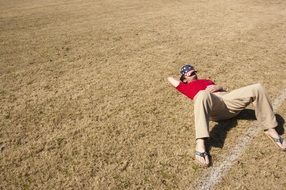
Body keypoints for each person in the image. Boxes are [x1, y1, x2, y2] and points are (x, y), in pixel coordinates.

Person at [167, 64, 286, 167]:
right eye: (190, 73)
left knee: (257, 88)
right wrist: (184, 73)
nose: (194, 73)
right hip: (215, 106)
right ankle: (200, 144)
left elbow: (222, 89)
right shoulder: (186, 87)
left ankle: (271, 129)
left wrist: (219, 87)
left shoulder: (206, 81)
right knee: (202, 94)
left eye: (194, 71)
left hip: (228, 99)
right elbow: (170, 79)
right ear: (184, 78)